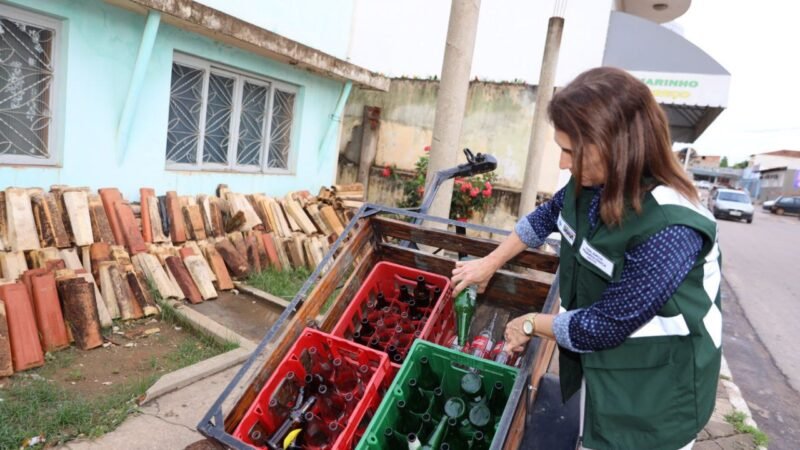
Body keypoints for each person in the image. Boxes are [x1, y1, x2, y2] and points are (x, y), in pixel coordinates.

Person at [451, 67, 721, 450]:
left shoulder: (670, 227)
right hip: (604, 369)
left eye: (571, 152)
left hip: (656, 395)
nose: (563, 164)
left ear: (617, 147)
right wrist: (488, 264)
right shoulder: (591, 184)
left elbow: (604, 326)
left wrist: (529, 323)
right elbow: (546, 217)